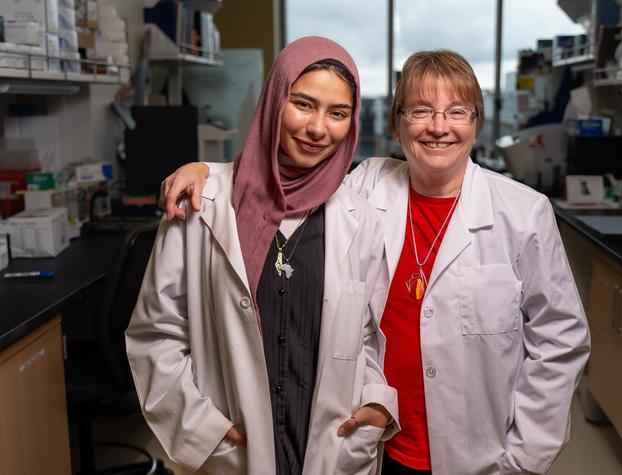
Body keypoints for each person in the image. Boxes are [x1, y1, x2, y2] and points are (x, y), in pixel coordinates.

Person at [159, 49, 590, 475]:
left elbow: (560, 339)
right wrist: (210, 172)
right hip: (374, 439)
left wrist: (525, 457)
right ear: (396, 123)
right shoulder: (365, 186)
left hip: (481, 453)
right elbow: (288, 176)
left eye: (457, 112)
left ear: (476, 123)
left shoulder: (522, 212)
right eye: (421, 111)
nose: (439, 128)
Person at [125, 36, 399, 475]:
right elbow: (155, 335)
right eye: (304, 104)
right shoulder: (201, 202)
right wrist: (199, 428)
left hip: (330, 445)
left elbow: (366, 335)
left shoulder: (360, 219)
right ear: (274, 100)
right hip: (234, 446)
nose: (318, 128)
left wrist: (375, 402)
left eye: (338, 113)